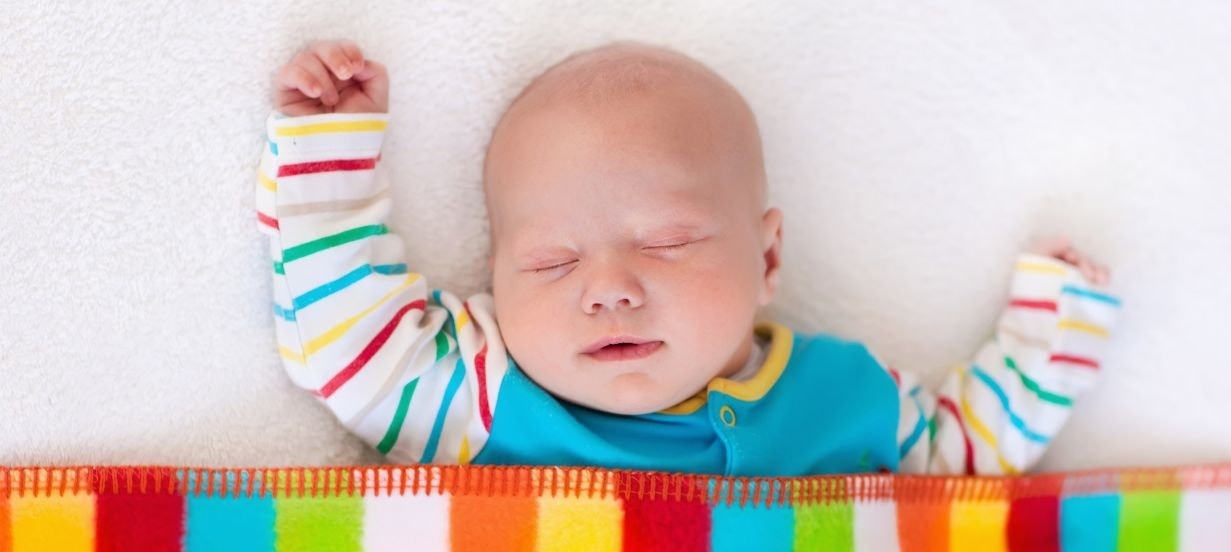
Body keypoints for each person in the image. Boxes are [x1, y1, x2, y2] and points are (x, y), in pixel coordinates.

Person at [255, 39, 1119, 477]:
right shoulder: (477, 396)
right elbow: (343, 333)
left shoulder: (848, 399)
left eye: (668, 243)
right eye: (552, 261)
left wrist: (1054, 332)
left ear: (768, 256)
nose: (609, 289)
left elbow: (968, 449)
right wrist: (330, 144)